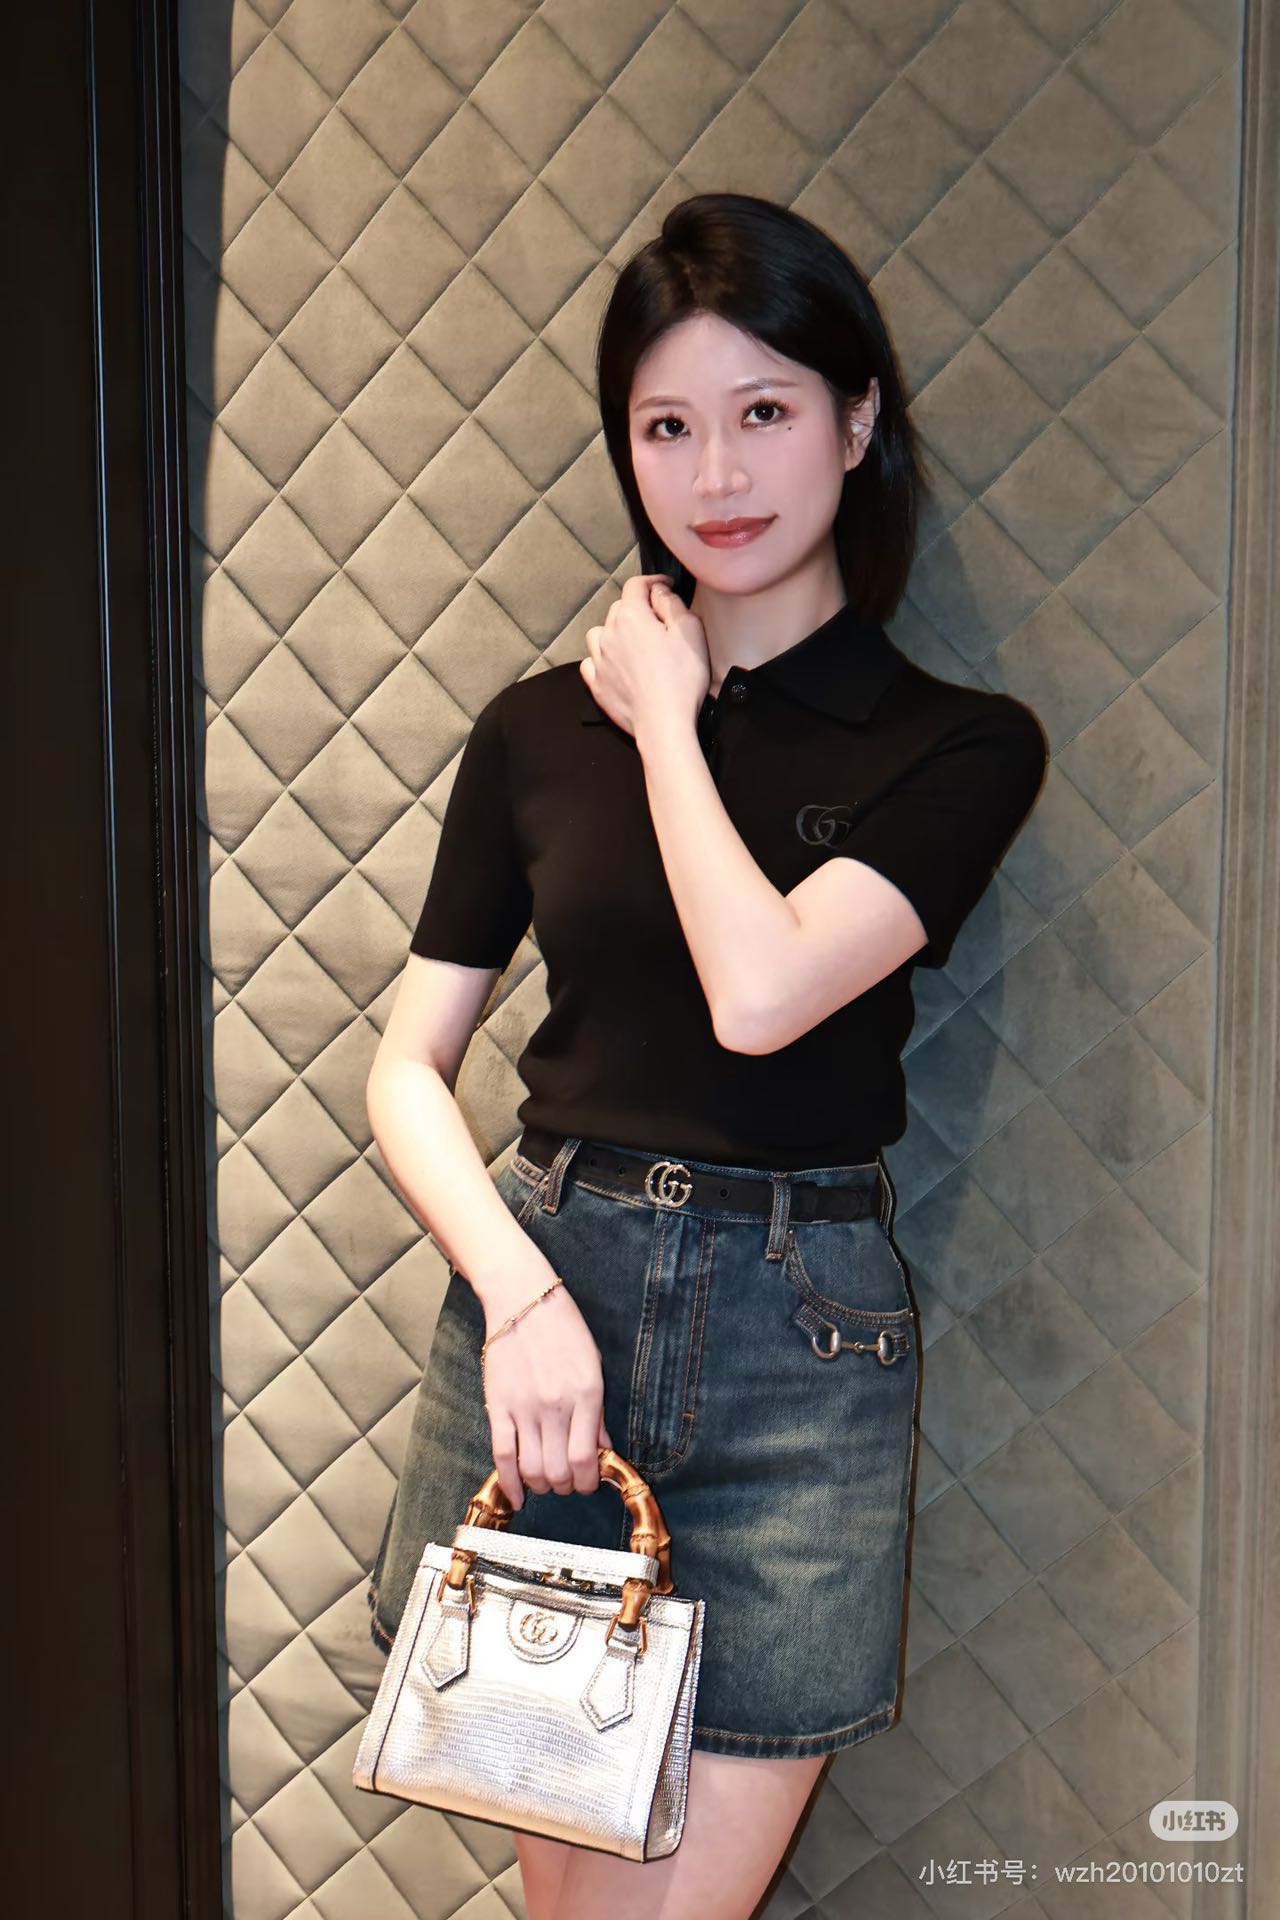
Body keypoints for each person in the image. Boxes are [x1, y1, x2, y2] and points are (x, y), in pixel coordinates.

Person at [363, 192, 1049, 1919]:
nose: (717, 473)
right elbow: (404, 1071)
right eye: (665, 426)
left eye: (764, 411)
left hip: (798, 1349)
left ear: (858, 420)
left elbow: (762, 994)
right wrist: (520, 1297)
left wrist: (670, 721)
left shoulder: (957, 747)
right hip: (550, 1324)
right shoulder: (534, 732)